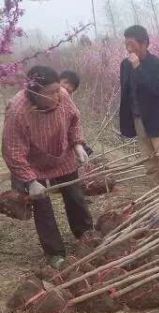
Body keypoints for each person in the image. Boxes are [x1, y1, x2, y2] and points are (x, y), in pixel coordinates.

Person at [1, 65, 93, 268]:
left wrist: (77, 144)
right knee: (42, 206)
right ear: (34, 92)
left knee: (75, 196)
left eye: (57, 89)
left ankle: (86, 234)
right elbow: (13, 152)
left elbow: (74, 119)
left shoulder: (61, 95)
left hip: (63, 155)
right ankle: (55, 253)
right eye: (50, 93)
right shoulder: (18, 111)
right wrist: (30, 181)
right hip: (35, 164)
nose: (57, 96)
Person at [118, 24, 159, 186]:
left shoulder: (157, 64)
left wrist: (138, 67)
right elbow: (126, 94)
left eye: (131, 44)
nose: (128, 48)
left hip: (158, 121)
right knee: (150, 165)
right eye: (126, 44)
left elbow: (158, 91)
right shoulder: (125, 65)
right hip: (138, 121)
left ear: (144, 43)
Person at [59, 69, 93, 156]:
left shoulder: (71, 108)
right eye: (65, 82)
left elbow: (75, 126)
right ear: (58, 81)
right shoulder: (43, 98)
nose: (67, 87)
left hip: (63, 149)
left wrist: (79, 144)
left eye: (71, 86)